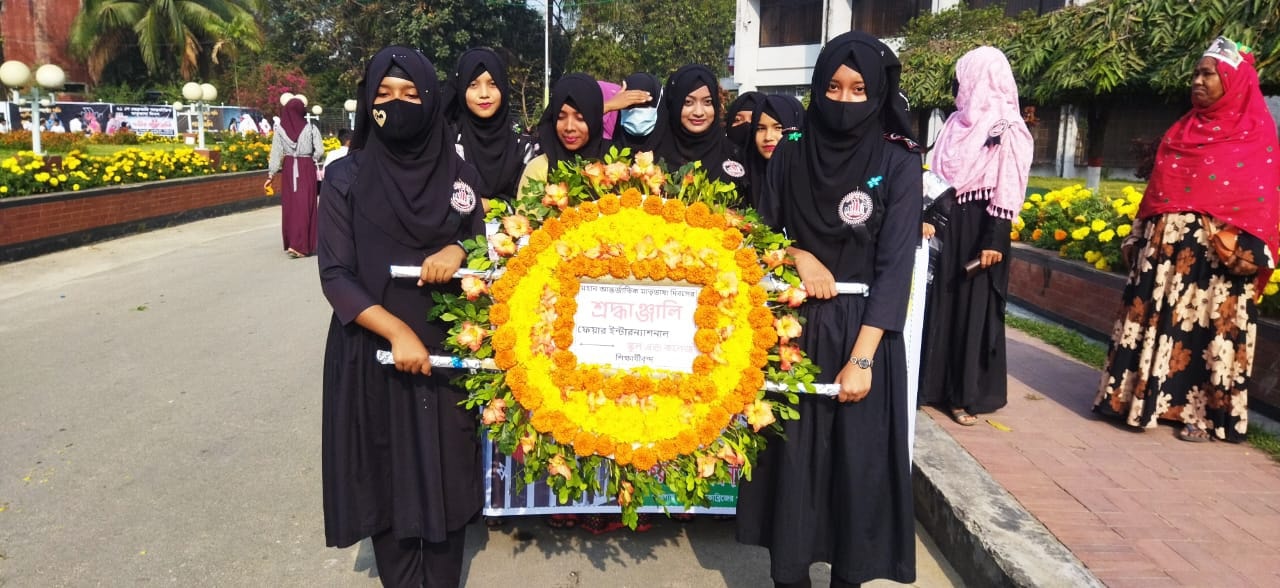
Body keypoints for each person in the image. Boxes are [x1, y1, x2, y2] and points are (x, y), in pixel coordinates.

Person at [736, 31, 921, 587]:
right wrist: (798, 255)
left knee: (855, 472)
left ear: (878, 91)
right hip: (794, 328)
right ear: (818, 86)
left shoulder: (898, 162)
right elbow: (760, 236)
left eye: (859, 89)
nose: (844, 100)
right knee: (793, 469)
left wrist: (862, 359)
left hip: (865, 334)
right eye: (834, 87)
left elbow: (895, 270)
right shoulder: (791, 152)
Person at [318, 45, 485, 587]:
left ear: (432, 99)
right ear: (368, 103)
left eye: (411, 94)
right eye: (384, 94)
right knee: (387, 480)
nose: (397, 104)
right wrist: (397, 332)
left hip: (446, 352)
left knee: (447, 475)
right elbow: (335, 274)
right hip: (374, 351)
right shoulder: (345, 177)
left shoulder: (459, 176)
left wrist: (458, 250)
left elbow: (480, 244)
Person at [1093, 37, 1279, 443]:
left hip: (1219, 262)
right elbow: (1157, 190)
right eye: (1195, 73)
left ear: (1233, 81)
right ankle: (1139, 400)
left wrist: (1241, 245)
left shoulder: (1254, 134)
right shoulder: (1182, 130)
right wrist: (1139, 237)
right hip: (1164, 256)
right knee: (1157, 320)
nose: (1197, 81)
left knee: (1210, 330)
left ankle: (1204, 416)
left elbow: (1262, 200)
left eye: (1207, 74)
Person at [918, 46, 1033, 426]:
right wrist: (928, 214)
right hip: (948, 222)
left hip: (983, 227)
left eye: (961, 80)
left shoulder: (1007, 127)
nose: (957, 88)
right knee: (941, 302)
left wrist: (994, 239)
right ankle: (933, 386)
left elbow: (1009, 184)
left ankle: (965, 394)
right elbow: (936, 175)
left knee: (972, 309)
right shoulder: (954, 124)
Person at [447, 48, 537, 205]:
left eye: (493, 84)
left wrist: (495, 205)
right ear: (461, 89)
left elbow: (531, 202)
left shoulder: (522, 144)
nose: (484, 94)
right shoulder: (448, 140)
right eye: (473, 85)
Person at [655, 65, 746, 192]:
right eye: (688, 102)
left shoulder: (734, 155)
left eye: (707, 102)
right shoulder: (651, 155)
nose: (699, 112)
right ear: (674, 105)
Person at [517, 73, 606, 191]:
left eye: (580, 118)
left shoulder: (616, 167)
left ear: (594, 119)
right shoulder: (539, 168)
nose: (569, 127)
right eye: (561, 117)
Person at [267, 96, 325, 258]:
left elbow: (275, 153)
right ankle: (301, 245)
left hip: (288, 169)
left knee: (291, 207)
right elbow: (320, 151)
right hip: (306, 168)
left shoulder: (280, 130)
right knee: (305, 205)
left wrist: (271, 174)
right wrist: (312, 158)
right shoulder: (311, 128)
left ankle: (294, 242)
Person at [742, 94, 803, 211]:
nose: (768, 137)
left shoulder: (811, 178)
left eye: (778, 128)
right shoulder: (746, 178)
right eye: (760, 128)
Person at [611, 72, 665, 153]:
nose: (636, 113)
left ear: (658, 104)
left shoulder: (673, 150)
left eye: (644, 104)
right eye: (630, 105)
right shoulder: (609, 151)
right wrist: (609, 106)